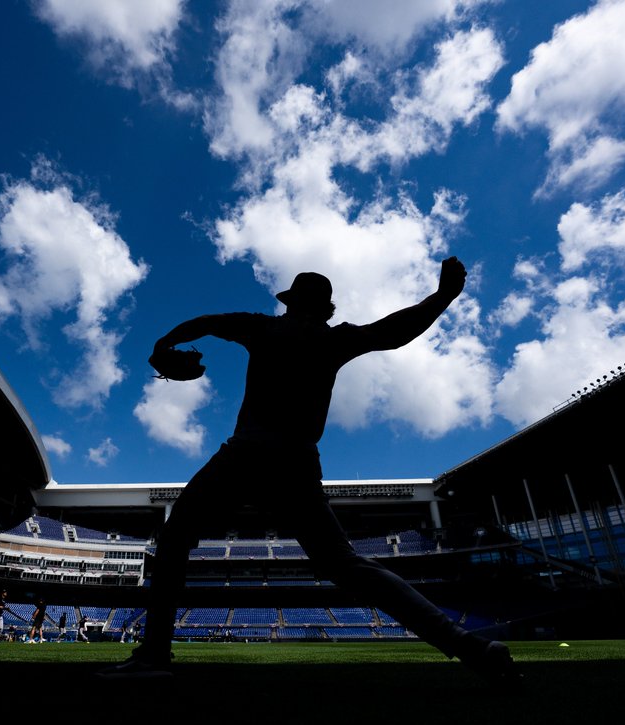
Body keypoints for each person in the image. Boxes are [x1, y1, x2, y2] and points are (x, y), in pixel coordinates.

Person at [98, 259, 521, 689]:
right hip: (296, 462)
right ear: (326, 308)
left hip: (246, 454)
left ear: (290, 302)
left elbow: (204, 322)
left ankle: (153, 654)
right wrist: (442, 297)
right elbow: (395, 330)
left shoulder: (264, 328)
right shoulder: (331, 339)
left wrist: (163, 345)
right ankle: (468, 646)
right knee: (345, 564)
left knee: (174, 540)